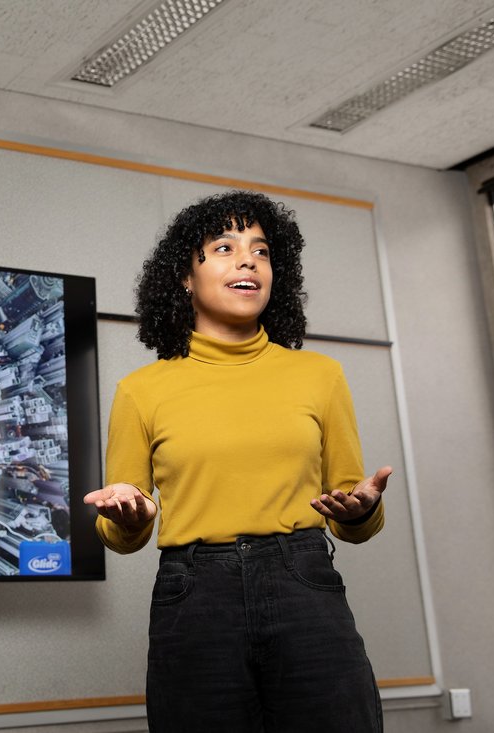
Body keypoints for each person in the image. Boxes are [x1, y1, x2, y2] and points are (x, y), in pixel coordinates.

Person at [84, 190, 391, 732]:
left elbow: (354, 515)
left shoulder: (320, 375)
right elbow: (122, 526)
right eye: (224, 247)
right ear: (185, 276)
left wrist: (357, 510)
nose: (248, 259)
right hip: (194, 592)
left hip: (304, 580)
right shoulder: (141, 390)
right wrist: (128, 517)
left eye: (261, 250)